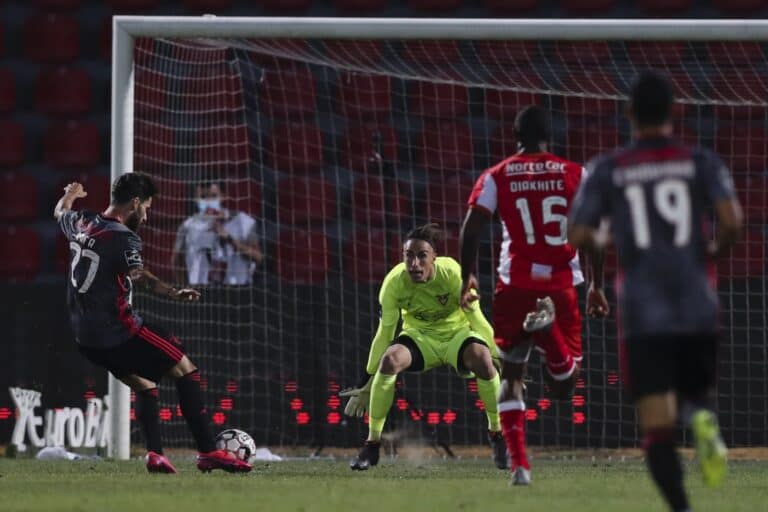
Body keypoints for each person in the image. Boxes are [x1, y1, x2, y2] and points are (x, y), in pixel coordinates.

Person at [568, 70, 741, 511]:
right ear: (673, 112)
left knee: (655, 427)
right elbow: (733, 220)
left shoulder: (609, 168)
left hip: (643, 308)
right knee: (696, 393)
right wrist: (714, 252)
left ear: (629, 113)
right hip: (697, 301)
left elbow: (577, 230)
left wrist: (606, 241)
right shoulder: (700, 161)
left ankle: (681, 508)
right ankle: (701, 417)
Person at [54, 172, 252, 473]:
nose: (146, 215)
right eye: (146, 207)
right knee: (186, 368)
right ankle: (209, 451)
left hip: (85, 338)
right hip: (119, 331)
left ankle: (156, 455)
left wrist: (70, 193)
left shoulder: (82, 221)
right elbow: (139, 276)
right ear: (135, 203)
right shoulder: (123, 236)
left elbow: (59, 212)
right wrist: (174, 292)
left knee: (146, 385)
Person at [459, 105, 609, 485]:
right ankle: (549, 336)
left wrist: (467, 276)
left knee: (511, 373)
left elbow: (472, 226)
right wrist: (596, 284)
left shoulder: (497, 174)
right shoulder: (577, 174)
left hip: (515, 285)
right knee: (564, 387)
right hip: (560, 284)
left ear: (515, 136)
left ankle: (520, 465)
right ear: (550, 138)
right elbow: (594, 231)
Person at [340, 224, 507, 471]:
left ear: (434, 258)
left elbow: (478, 321)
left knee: (483, 359)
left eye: (421, 256)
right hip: (419, 338)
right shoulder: (394, 283)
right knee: (389, 360)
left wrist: (501, 359)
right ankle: (371, 445)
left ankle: (497, 435)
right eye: (409, 256)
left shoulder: (453, 274)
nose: (414, 263)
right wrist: (366, 380)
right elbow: (385, 333)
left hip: (456, 335)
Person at [173, 180, 263, 286]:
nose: (208, 201)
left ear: (223, 196)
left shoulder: (244, 222)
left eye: (213, 196)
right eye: (203, 197)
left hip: (238, 293)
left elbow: (258, 257)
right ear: (196, 199)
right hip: (201, 293)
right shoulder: (187, 226)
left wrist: (231, 240)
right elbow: (177, 260)